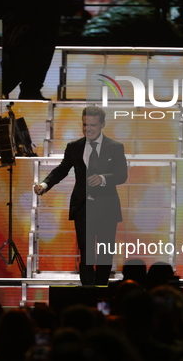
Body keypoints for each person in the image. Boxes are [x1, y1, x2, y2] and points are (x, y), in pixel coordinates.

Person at [34, 106, 127, 285]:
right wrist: (44, 185)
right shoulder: (74, 147)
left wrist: (103, 178)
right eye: (85, 125)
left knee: (105, 253)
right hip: (83, 208)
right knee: (86, 254)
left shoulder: (115, 147)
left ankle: (101, 289)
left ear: (102, 124)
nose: (88, 129)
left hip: (107, 208)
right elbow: (62, 170)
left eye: (92, 125)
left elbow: (121, 175)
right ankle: (88, 292)